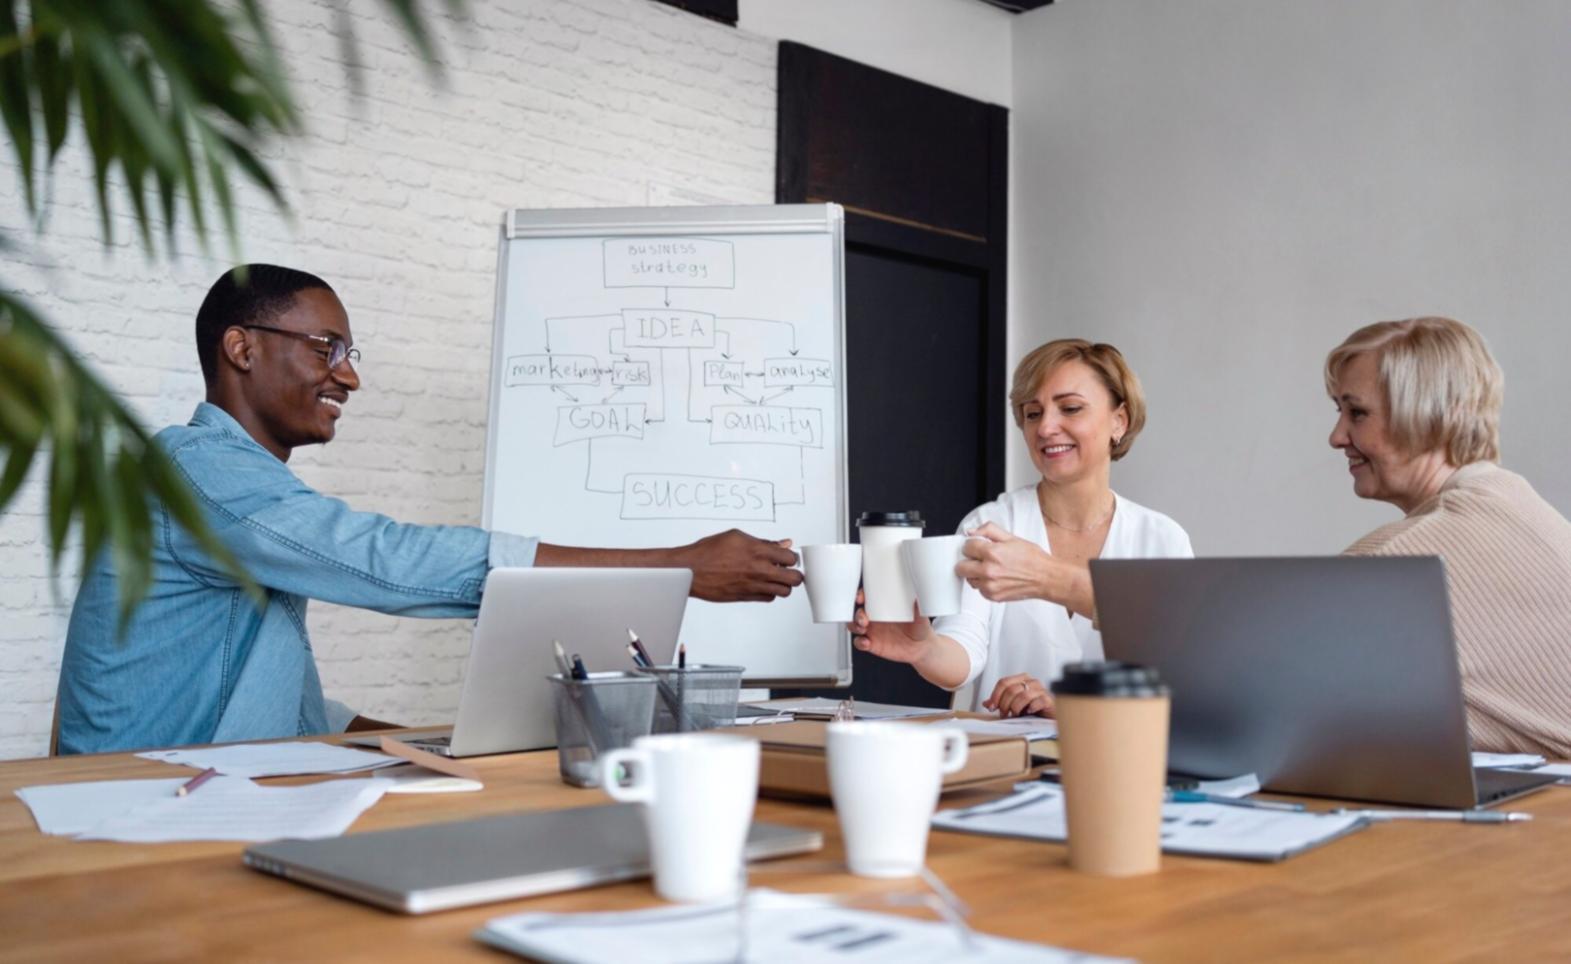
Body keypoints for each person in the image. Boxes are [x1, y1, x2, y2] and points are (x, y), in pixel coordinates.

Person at [55, 265, 803, 754]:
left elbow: (258, 678)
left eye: (350, 353)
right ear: (242, 349)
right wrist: (680, 566)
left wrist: (413, 743)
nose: (348, 377)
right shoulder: (199, 472)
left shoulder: (235, 487)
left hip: (184, 788)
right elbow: (382, 560)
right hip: (131, 802)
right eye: (326, 348)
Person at [851, 339, 1192, 716]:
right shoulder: (991, 525)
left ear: (1119, 421)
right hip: (1010, 764)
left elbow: (1177, 661)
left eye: (1071, 408)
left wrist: (1066, 708)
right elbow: (963, 650)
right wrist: (924, 648)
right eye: (1032, 414)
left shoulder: (1161, 539)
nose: (1045, 427)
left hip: (1117, 760)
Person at [1326, 316, 1571, 756]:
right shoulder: (1517, 504)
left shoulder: (1397, 561)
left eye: (1357, 413)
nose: (1337, 436)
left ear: (1431, 415)